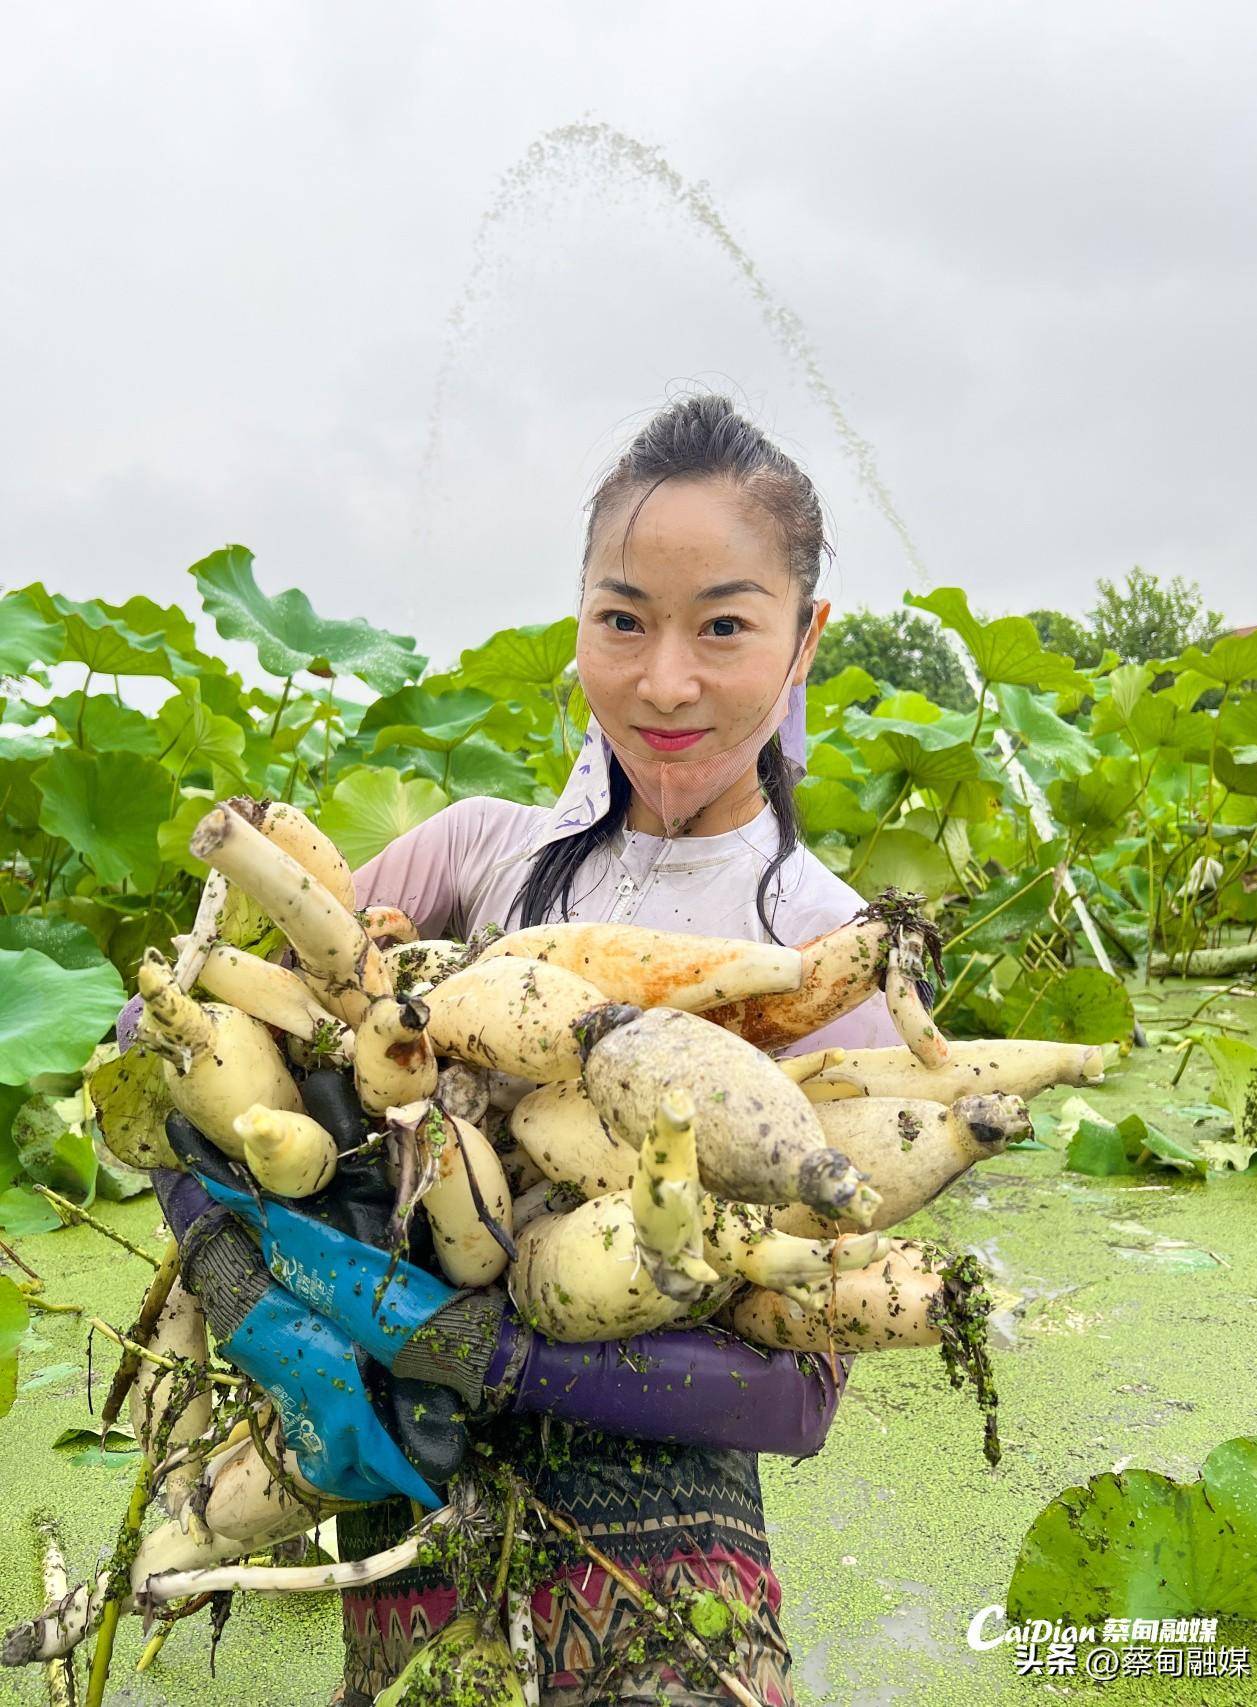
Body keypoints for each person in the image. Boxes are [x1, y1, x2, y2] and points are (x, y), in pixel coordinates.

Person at [329, 394, 901, 1705]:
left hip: (665, 1595)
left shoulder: (824, 953)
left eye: (724, 627)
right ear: (577, 616)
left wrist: (495, 1346)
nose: (666, 681)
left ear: (804, 640)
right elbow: (253, 1026)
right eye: (623, 618)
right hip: (410, 1547)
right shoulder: (475, 857)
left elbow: (802, 1392)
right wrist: (222, 1229)